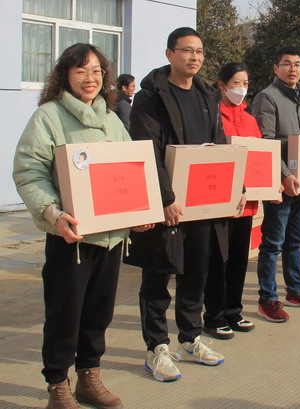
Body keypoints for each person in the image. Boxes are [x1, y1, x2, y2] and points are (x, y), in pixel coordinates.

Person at [13, 43, 152, 409]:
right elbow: (29, 173)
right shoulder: (49, 117)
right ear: (65, 75)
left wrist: (139, 212)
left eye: (96, 71)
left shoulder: (112, 120)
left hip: (111, 238)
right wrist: (53, 213)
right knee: (64, 314)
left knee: (99, 313)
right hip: (70, 236)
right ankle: (58, 385)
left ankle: (89, 377)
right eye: (81, 71)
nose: (90, 79)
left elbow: (129, 171)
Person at [128, 27, 244, 382]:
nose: (194, 57)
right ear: (170, 54)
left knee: (197, 271)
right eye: (187, 50)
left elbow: (220, 145)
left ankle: (191, 338)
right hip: (168, 203)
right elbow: (147, 149)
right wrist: (165, 198)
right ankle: (157, 347)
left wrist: (235, 189)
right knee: (158, 274)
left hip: (203, 202)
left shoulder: (207, 94)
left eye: (199, 51)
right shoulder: (150, 96)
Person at [251, 46, 300, 323]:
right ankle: (267, 299)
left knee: (296, 240)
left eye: (297, 64)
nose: (292, 69)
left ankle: (295, 291)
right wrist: (283, 174)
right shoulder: (267, 97)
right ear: (276, 68)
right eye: (286, 64)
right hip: (280, 183)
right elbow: (266, 141)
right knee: (273, 242)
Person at [202, 62, 261, 339]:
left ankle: (234, 312)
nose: (241, 88)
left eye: (245, 83)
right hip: (222, 201)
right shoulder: (213, 115)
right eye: (236, 83)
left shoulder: (250, 119)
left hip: (247, 202)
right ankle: (214, 316)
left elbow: (261, 158)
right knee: (218, 260)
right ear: (222, 85)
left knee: (239, 259)